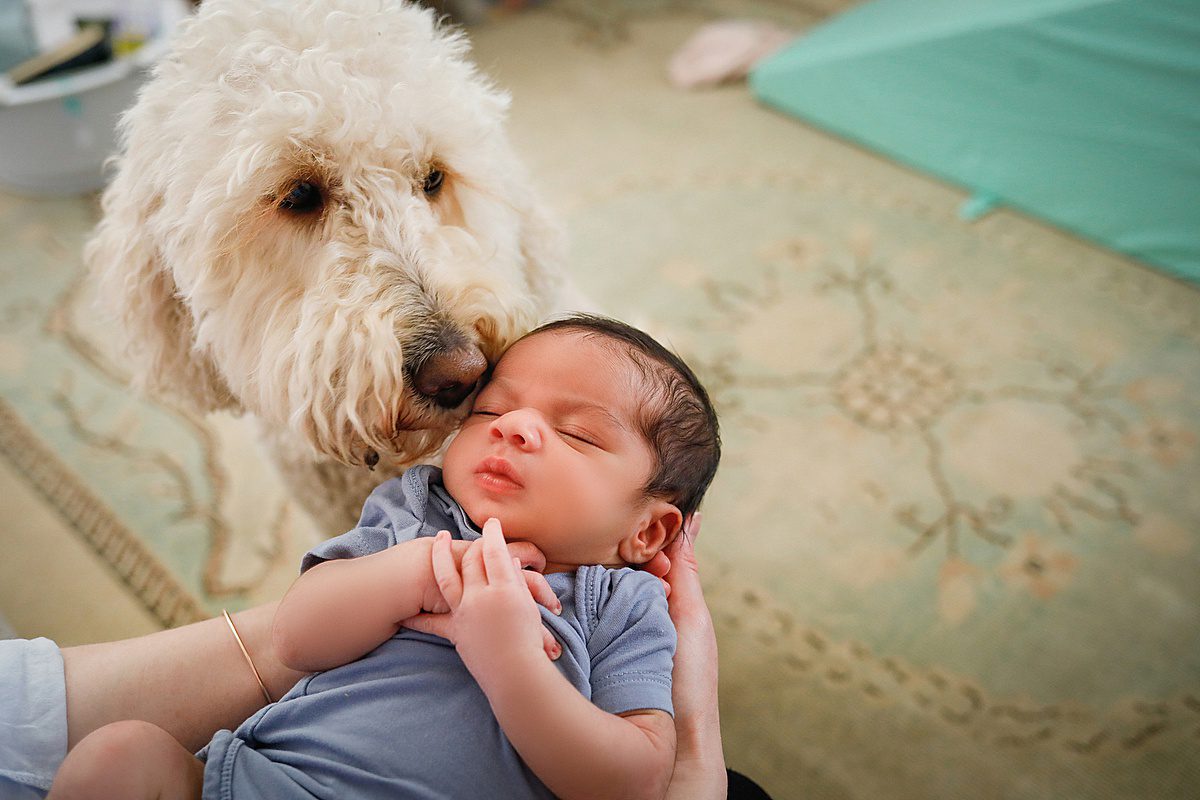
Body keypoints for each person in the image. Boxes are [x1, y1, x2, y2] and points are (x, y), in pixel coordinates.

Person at [44, 314, 725, 800]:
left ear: (648, 532)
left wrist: (511, 662)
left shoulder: (624, 605)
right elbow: (296, 635)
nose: (514, 427)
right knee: (120, 754)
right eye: (491, 411)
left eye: (575, 433)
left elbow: (632, 782)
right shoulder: (419, 512)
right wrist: (418, 571)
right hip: (265, 781)